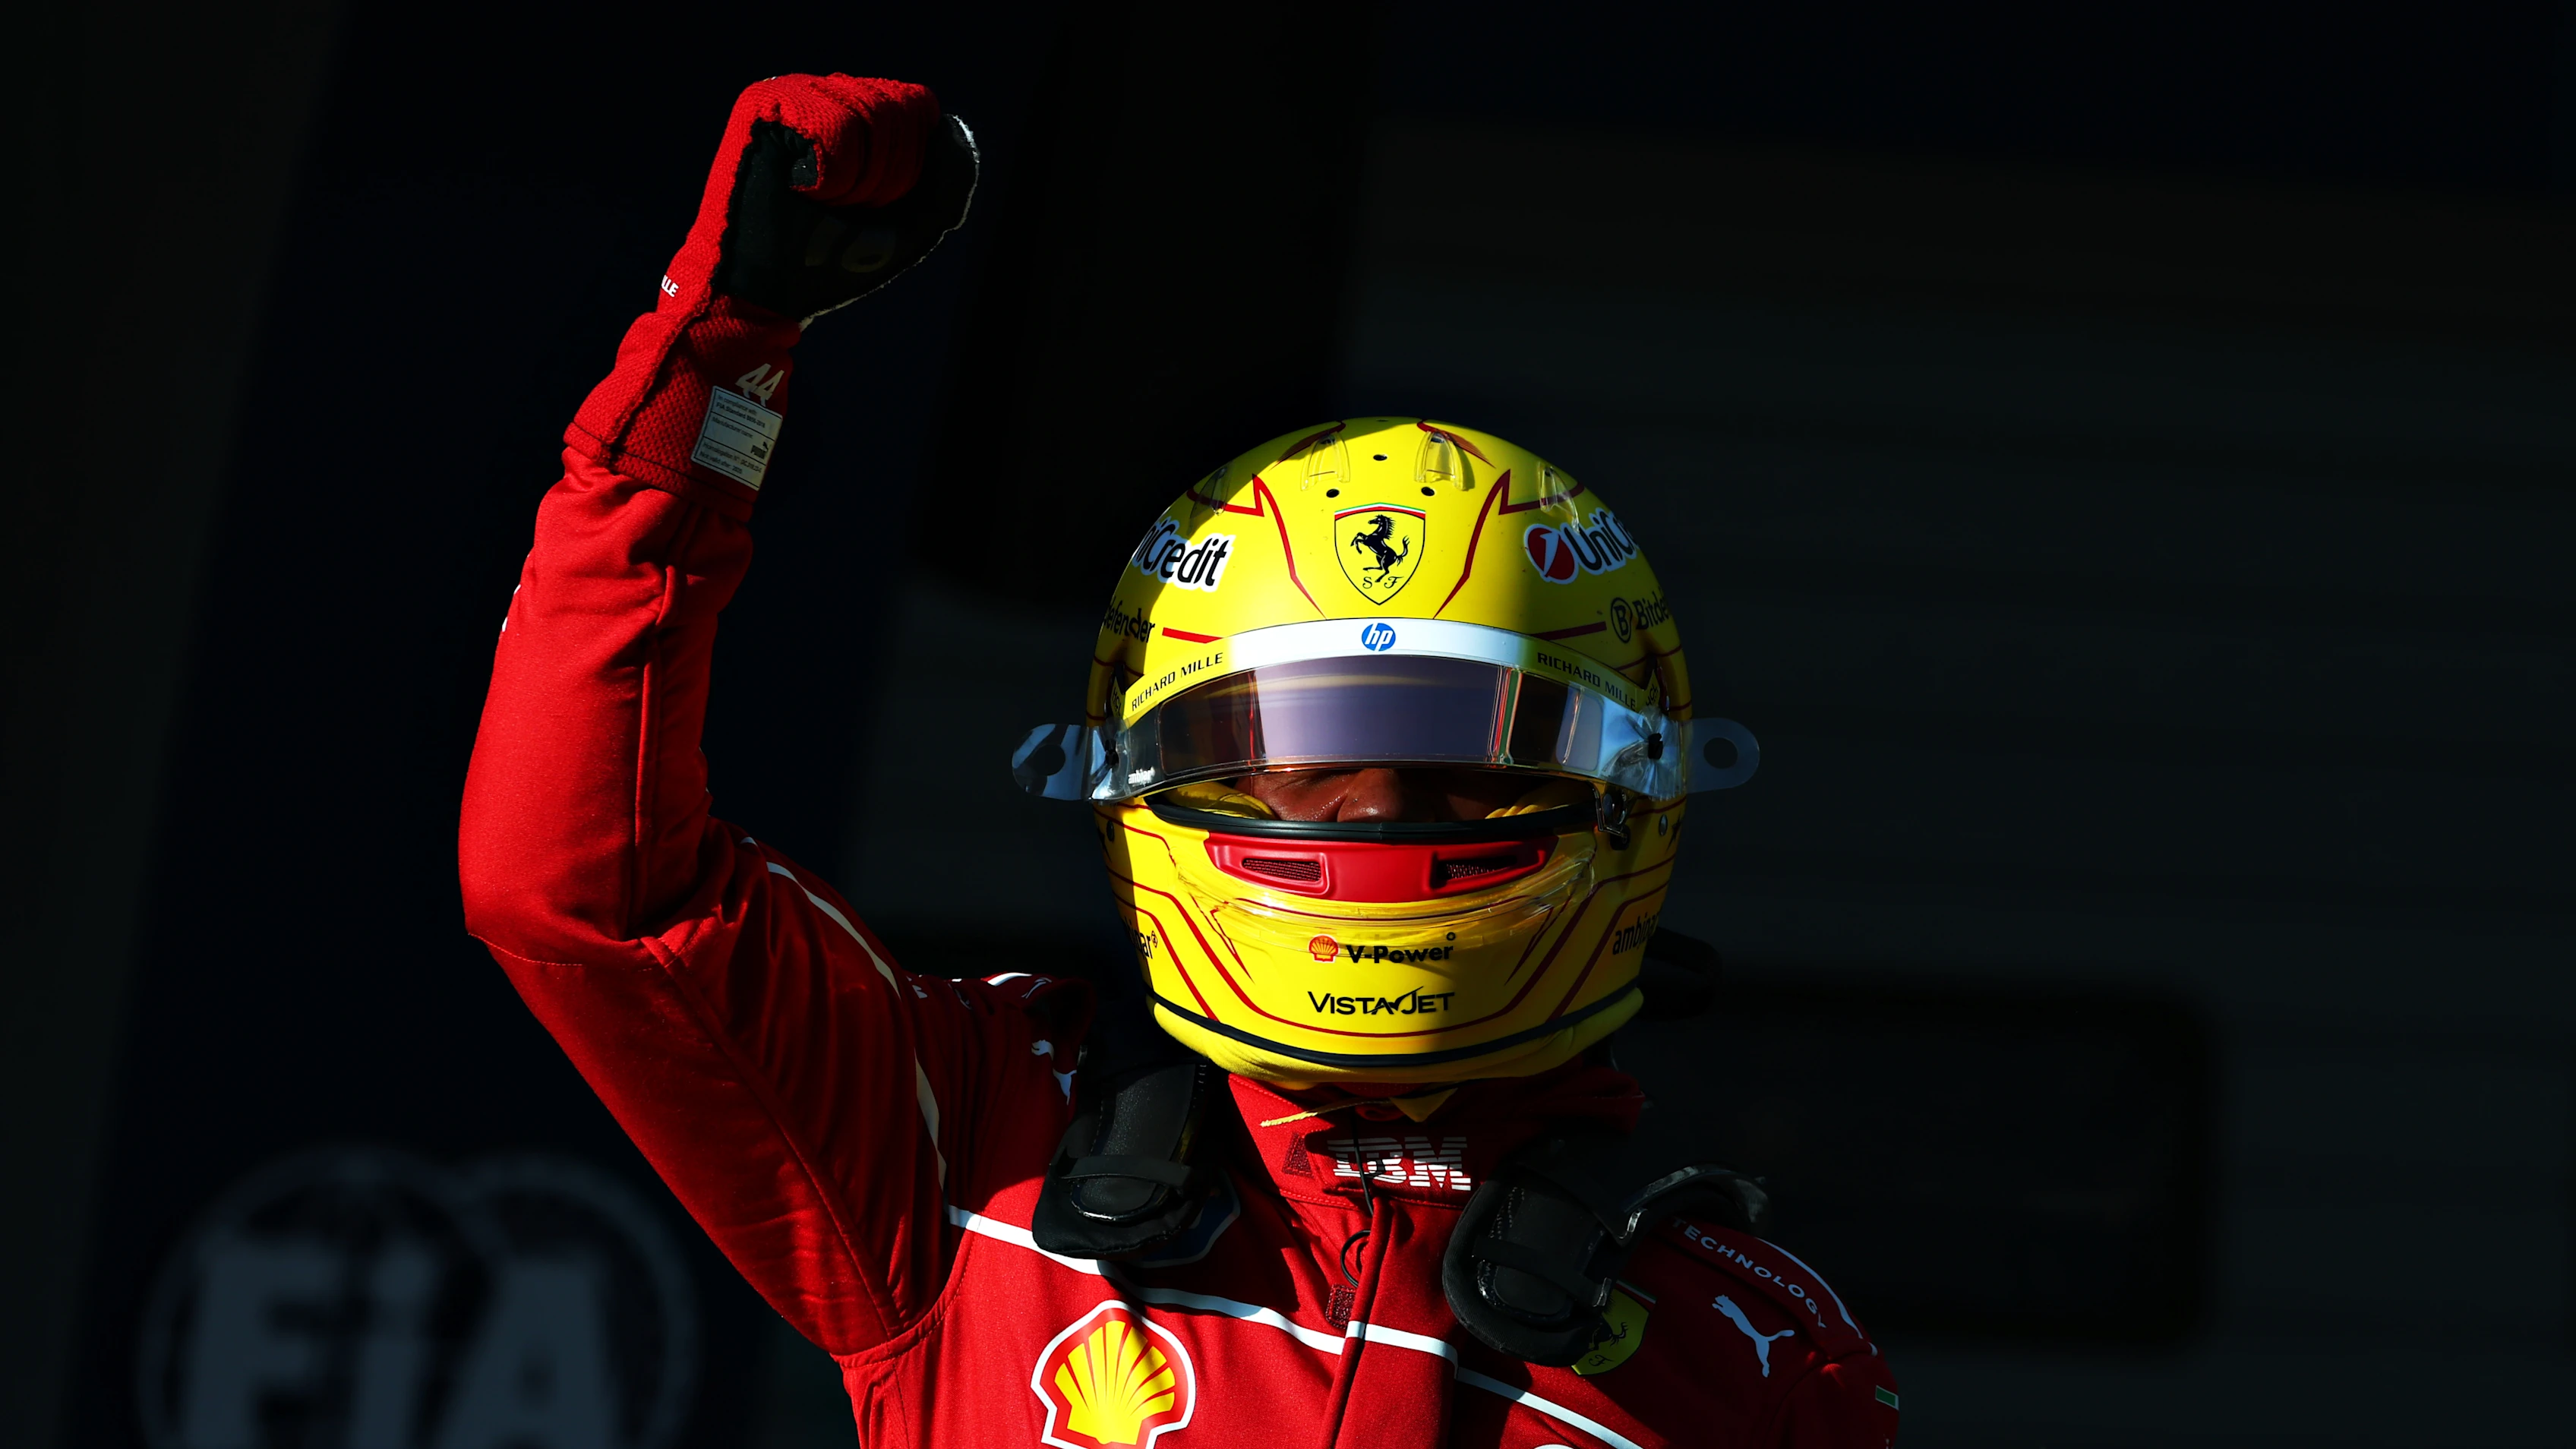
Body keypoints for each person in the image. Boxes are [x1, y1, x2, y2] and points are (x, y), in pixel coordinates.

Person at [459, 72, 1900, 1448]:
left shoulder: (1753, 1352)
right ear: (1140, 782)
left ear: (1632, 796)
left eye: (1473, 763)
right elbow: (587, 890)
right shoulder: (969, 1148)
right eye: (1293, 763)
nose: (1379, 811)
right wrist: (717, 358)